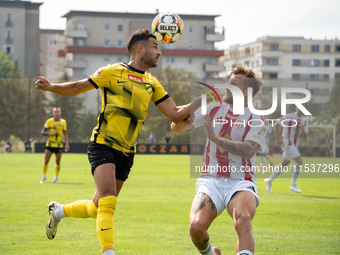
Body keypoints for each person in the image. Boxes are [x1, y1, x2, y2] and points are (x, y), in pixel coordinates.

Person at [35, 29, 193, 255]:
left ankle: (58, 211)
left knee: (99, 205)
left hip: (127, 151)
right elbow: (78, 86)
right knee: (109, 199)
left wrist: (204, 99)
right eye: (155, 47)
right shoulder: (112, 72)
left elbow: (175, 114)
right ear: (140, 48)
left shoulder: (152, 82)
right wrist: (51, 87)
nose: (159, 52)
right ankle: (108, 252)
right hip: (103, 144)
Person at [171, 65, 268, 255]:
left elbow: (248, 151)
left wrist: (216, 139)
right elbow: (176, 126)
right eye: (228, 82)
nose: (227, 86)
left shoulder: (257, 118)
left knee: (244, 219)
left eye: (234, 84)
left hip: (241, 181)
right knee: (196, 228)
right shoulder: (213, 108)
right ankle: (210, 253)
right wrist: (202, 100)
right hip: (210, 179)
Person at [264, 104, 308, 193]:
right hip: (287, 143)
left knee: (283, 164)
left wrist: (302, 129)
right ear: (296, 107)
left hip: (294, 145)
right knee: (299, 161)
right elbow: (276, 124)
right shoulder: (290, 117)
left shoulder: (305, 121)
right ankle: (293, 185)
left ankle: (269, 180)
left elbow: (306, 136)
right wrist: (277, 138)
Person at [40, 107, 69, 183]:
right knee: (46, 161)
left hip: (59, 145)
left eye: (58, 112)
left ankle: (56, 178)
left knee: (58, 162)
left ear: (60, 113)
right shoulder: (49, 121)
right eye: (55, 112)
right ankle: (44, 176)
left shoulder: (63, 122)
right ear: (53, 113)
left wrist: (67, 144)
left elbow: (64, 133)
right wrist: (49, 134)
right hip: (50, 144)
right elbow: (42, 132)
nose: (57, 113)